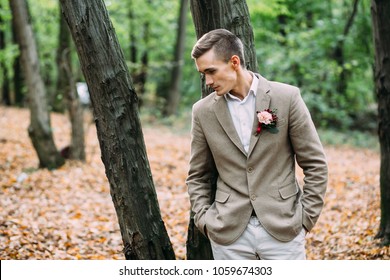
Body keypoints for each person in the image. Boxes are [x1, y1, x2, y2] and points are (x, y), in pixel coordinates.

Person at [186, 29, 328, 260]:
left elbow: (315, 163)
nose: (208, 81)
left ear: (234, 62)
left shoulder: (287, 97)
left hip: (283, 229)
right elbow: (197, 175)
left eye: (211, 71)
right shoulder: (202, 111)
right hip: (229, 235)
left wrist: (305, 219)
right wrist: (205, 221)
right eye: (203, 74)